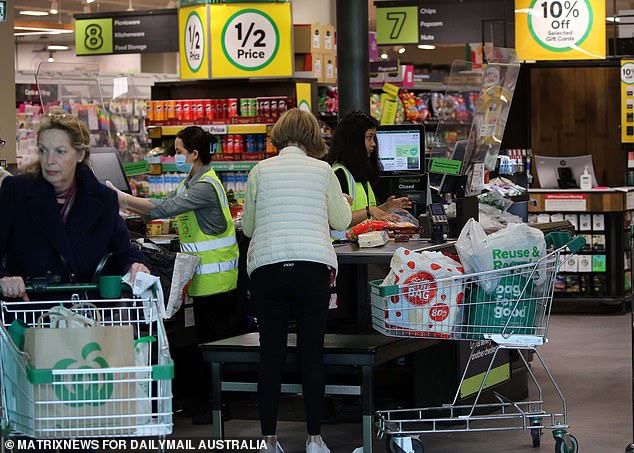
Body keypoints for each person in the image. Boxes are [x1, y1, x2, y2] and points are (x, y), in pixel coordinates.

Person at [107, 126, 242, 423]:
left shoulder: (205, 186)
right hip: (202, 279)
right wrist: (126, 202)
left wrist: (121, 199)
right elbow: (163, 203)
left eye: (179, 152)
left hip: (216, 280)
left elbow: (165, 208)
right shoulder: (191, 181)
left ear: (194, 154)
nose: (175, 157)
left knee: (212, 345)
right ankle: (205, 400)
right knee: (201, 343)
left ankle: (218, 406)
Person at [242, 108, 352, 453]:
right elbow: (340, 222)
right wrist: (343, 203)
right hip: (311, 270)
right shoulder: (323, 171)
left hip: (268, 269)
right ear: (313, 137)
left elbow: (247, 227)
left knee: (271, 355)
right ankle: (315, 439)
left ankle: (269, 439)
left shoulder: (259, 170)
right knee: (311, 353)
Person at [0, 110, 148, 300]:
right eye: (44, 150)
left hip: (87, 317)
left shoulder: (104, 200)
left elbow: (124, 253)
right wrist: (5, 278)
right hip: (31, 314)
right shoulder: (16, 191)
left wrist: (135, 265)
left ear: (80, 154)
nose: (50, 160)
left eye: (60, 151)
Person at [327, 111, 412, 238]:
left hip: (359, 246)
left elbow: (365, 217)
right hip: (342, 248)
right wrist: (370, 210)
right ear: (354, 140)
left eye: (374, 137)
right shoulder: (339, 174)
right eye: (369, 137)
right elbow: (337, 221)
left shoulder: (360, 175)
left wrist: (386, 208)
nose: (373, 144)